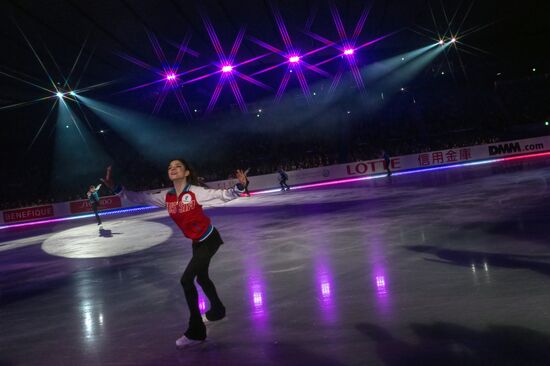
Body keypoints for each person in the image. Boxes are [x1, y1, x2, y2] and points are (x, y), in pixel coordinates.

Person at [101, 160, 248, 349]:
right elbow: (140, 198)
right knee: (202, 279)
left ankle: (196, 332)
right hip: (197, 242)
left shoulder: (195, 191)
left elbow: (222, 195)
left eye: (178, 166)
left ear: (186, 172)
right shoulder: (167, 196)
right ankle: (218, 310)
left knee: (187, 280)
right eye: (170, 167)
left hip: (209, 239)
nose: (173, 168)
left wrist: (240, 186)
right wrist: (116, 188)